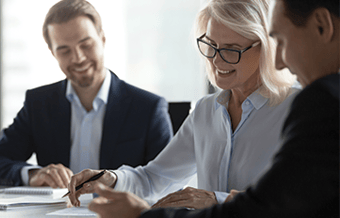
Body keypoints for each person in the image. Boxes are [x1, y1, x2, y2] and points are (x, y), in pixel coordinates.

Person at [85, 0, 340, 217]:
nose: (216, 60)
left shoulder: (302, 108)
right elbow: (155, 178)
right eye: (211, 45)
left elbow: (284, 204)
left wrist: (216, 199)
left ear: (265, 47)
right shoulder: (207, 110)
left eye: (231, 49)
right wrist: (113, 179)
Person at [0, 0, 173, 188]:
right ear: (53, 53)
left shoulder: (148, 108)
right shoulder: (38, 104)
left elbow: (168, 182)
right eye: (64, 50)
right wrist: (33, 174)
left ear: (102, 39)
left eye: (86, 45)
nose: (78, 58)